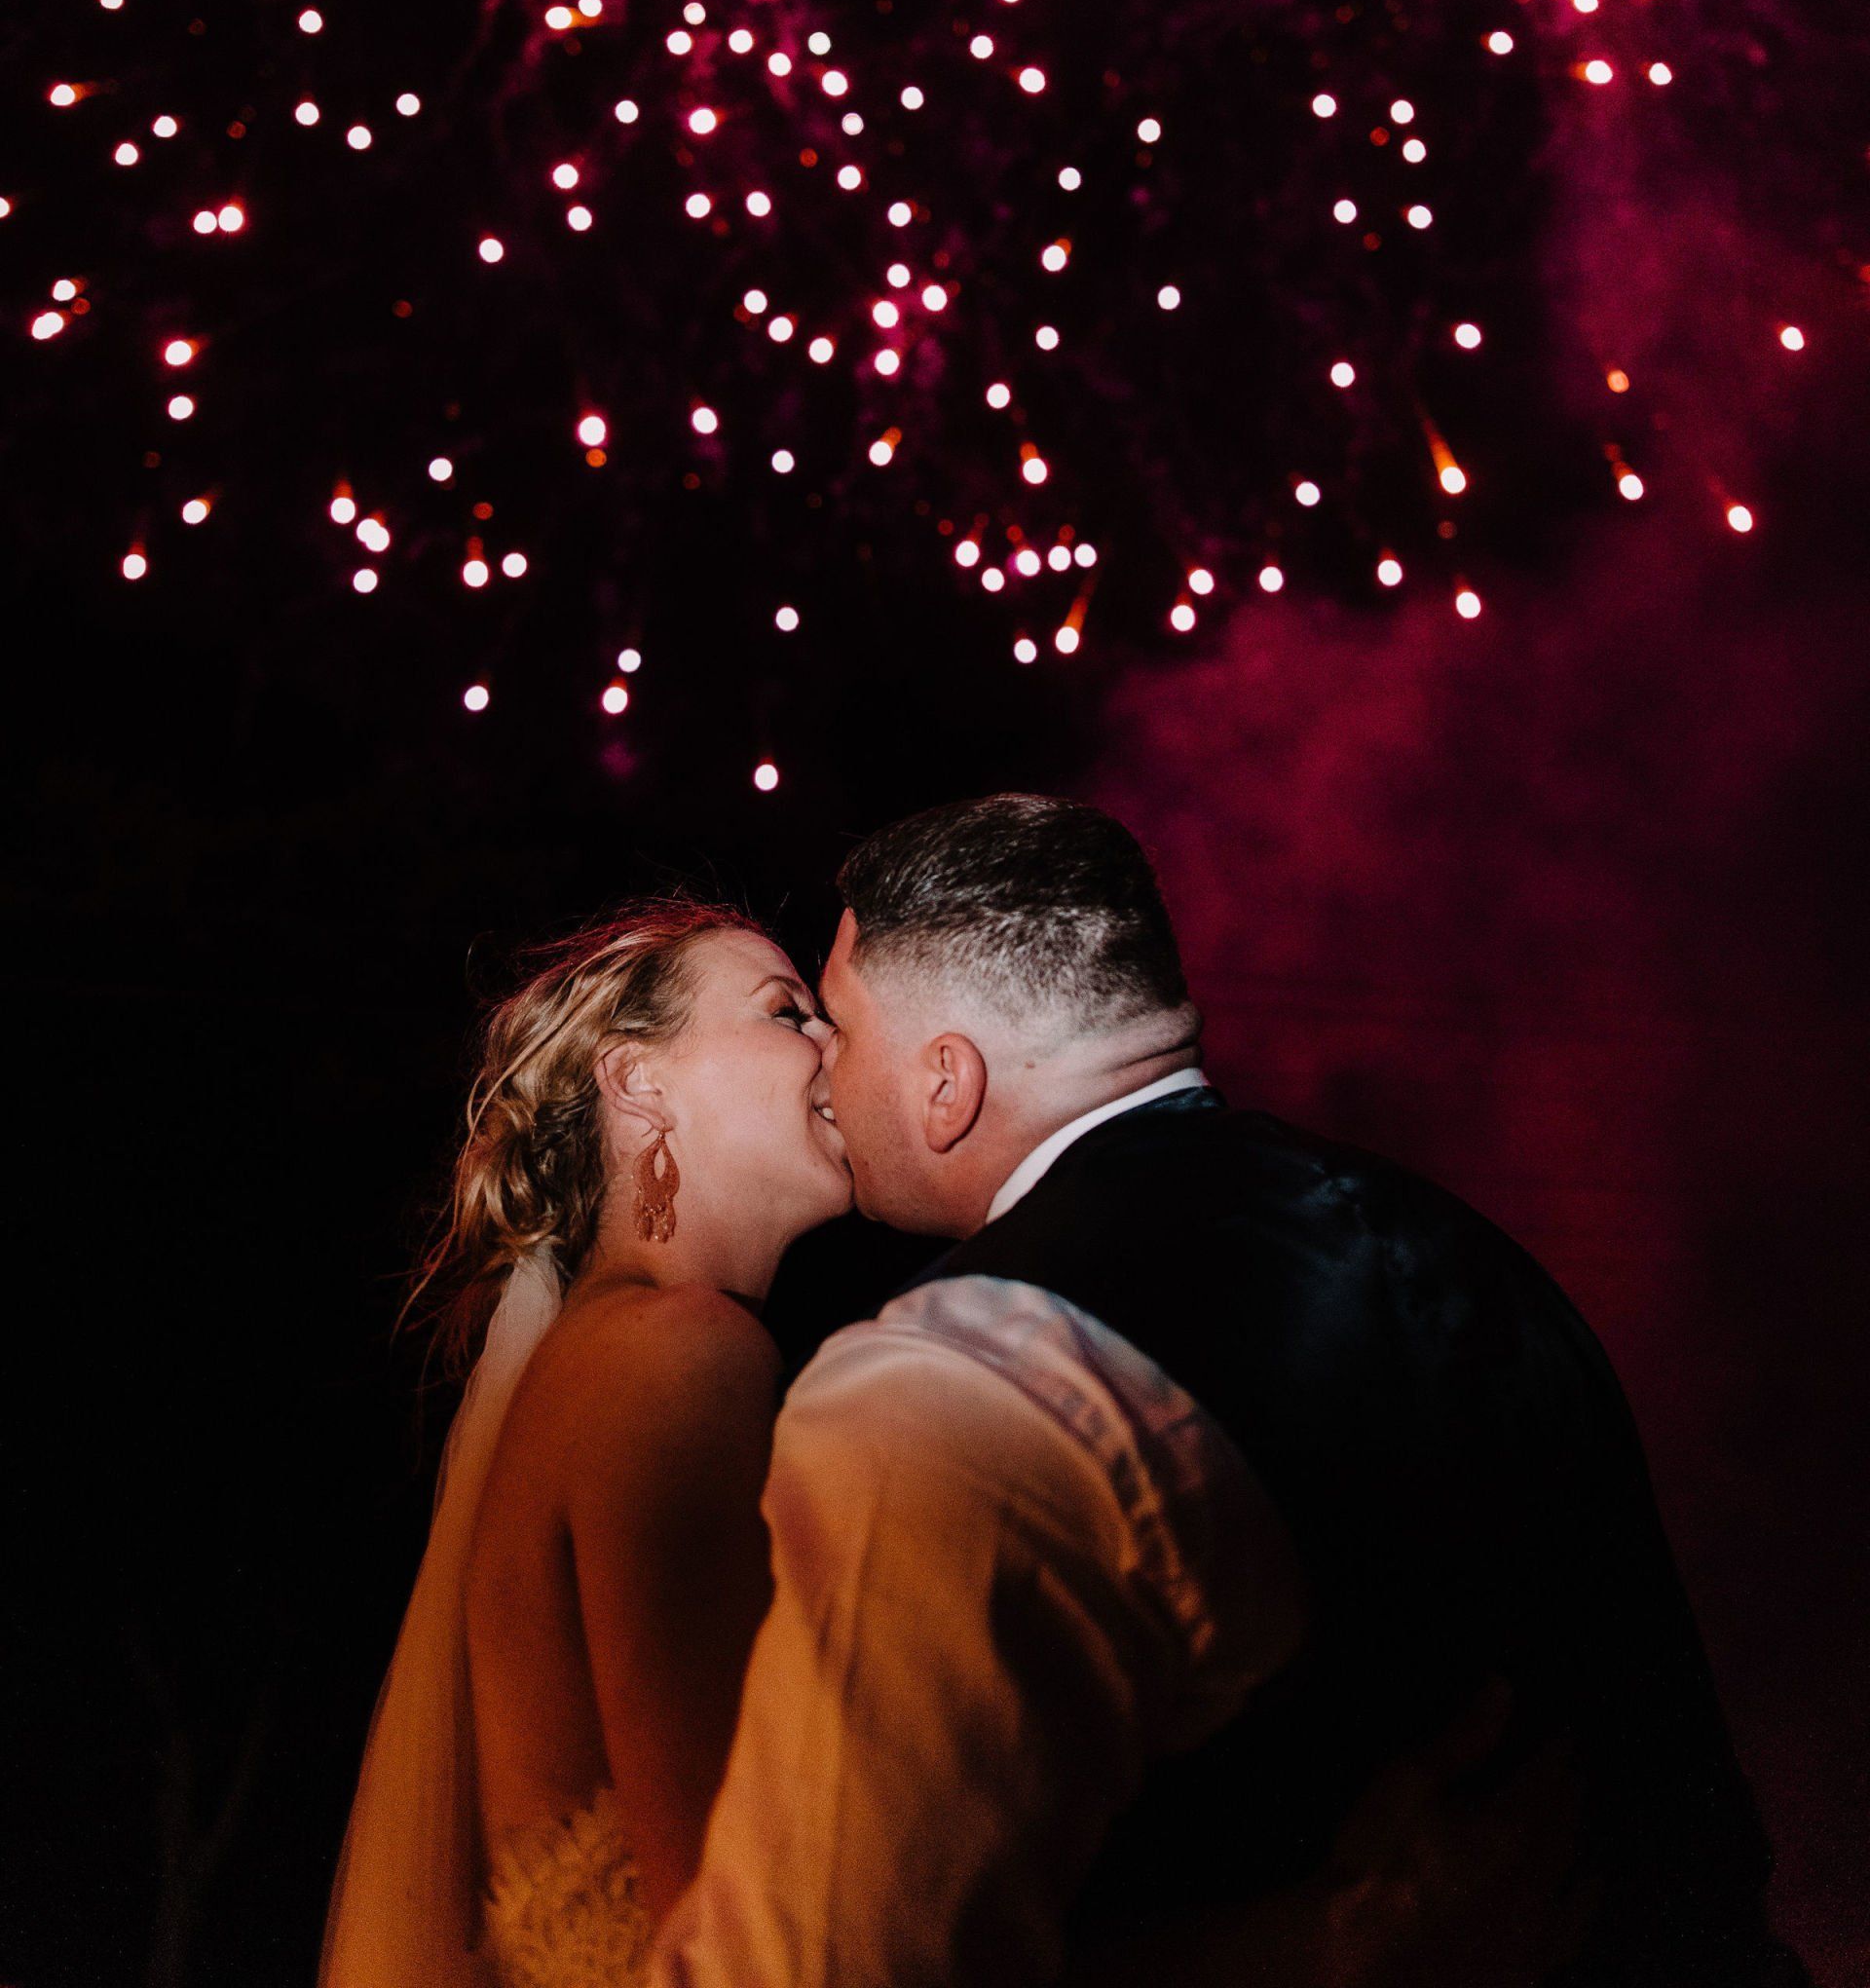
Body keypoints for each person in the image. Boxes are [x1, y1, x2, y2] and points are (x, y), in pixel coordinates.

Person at [650, 793, 1802, 1988]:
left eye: (835, 1026)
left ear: (949, 1084)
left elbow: (825, 1963)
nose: (820, 1070)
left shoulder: (953, 1383)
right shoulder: (1475, 1256)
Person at [318, 897, 852, 1988]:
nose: (836, 1044)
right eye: (787, 1011)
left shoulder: (595, 1359)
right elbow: (745, 1919)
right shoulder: (677, 1357)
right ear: (637, 1081)